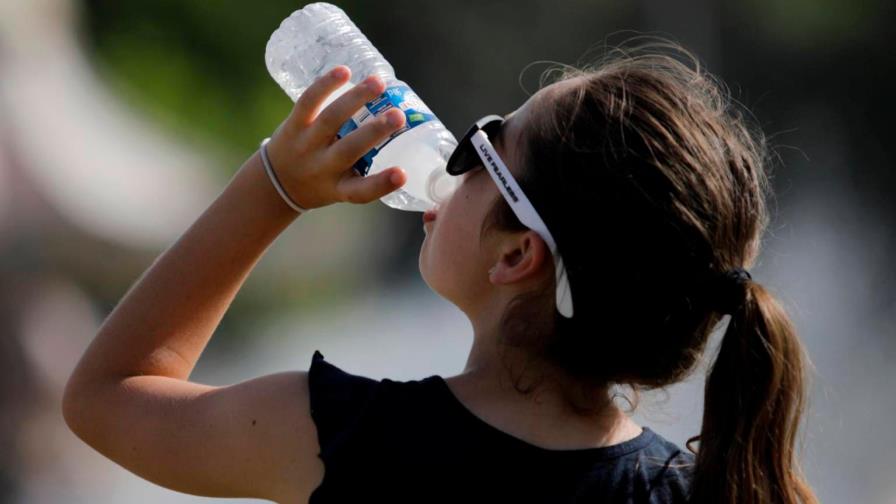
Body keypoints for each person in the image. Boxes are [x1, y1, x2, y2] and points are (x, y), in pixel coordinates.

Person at [62, 37, 818, 503]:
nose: (450, 152)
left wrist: (274, 187)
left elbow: (105, 395)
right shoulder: (697, 496)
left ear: (517, 254)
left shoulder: (338, 440)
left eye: (482, 148)